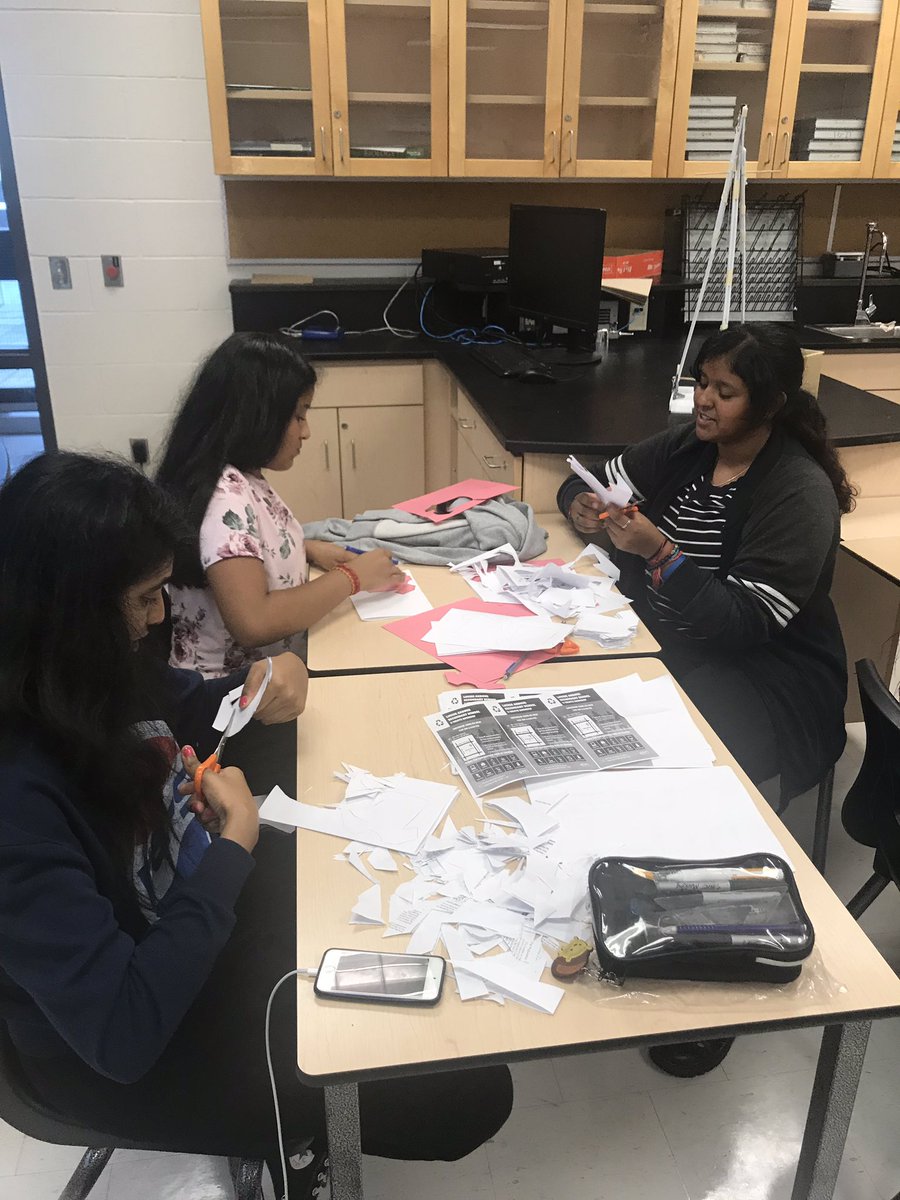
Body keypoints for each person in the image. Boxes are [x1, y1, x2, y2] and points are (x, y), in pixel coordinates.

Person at [0, 453, 513, 1200]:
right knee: (468, 1094)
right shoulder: (17, 798)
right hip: (127, 1044)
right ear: (70, 611)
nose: (158, 618)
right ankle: (297, 1142)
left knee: (387, 918)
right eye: (142, 598)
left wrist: (262, 683)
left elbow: (189, 703)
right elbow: (122, 1033)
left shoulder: (90, 671)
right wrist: (229, 853)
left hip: (183, 931)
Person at [558, 323, 854, 1077]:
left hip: (767, 676)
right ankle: (619, 900)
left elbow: (741, 626)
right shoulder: (691, 448)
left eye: (726, 391)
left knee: (688, 778)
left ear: (771, 404)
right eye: (702, 384)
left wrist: (658, 552)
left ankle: (711, 965)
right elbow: (590, 480)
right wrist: (587, 508)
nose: (705, 403)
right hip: (669, 643)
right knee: (588, 726)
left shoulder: (797, 489)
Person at [156, 331, 406, 680]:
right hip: (230, 693)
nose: (306, 432)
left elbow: (242, 549)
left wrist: (307, 549)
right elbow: (253, 622)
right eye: (299, 416)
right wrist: (353, 578)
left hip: (268, 675)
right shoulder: (225, 499)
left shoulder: (241, 476)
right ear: (258, 417)